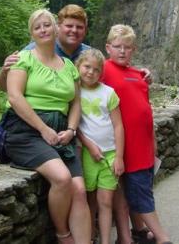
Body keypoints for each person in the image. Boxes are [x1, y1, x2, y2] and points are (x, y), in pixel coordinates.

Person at [4, 8, 91, 244]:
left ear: (56, 28)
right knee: (62, 179)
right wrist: (44, 129)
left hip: (62, 131)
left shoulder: (69, 66)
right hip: (26, 131)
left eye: (47, 25)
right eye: (37, 27)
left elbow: (75, 102)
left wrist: (72, 130)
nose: (43, 29)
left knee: (80, 191)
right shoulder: (24, 58)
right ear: (32, 34)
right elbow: (14, 97)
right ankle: (63, 234)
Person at [101, 25, 173, 244]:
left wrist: (153, 140)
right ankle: (162, 238)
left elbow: (146, 109)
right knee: (138, 191)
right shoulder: (102, 70)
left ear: (134, 49)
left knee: (130, 191)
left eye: (127, 47)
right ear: (107, 48)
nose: (122, 51)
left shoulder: (139, 74)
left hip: (143, 143)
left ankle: (135, 233)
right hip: (122, 144)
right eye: (117, 46)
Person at [76, 49, 125, 244]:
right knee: (90, 201)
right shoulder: (73, 91)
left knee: (106, 201)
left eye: (96, 70)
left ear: (101, 72)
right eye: (87, 67)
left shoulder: (108, 92)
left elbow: (118, 125)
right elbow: (74, 125)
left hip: (110, 154)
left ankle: (105, 241)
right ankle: (90, 236)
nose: (90, 72)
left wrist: (119, 156)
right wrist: (89, 145)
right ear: (78, 66)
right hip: (87, 154)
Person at [0, 4, 90, 91]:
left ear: (85, 30)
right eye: (69, 26)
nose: (74, 30)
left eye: (79, 27)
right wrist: (4, 72)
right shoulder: (33, 51)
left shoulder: (90, 55)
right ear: (57, 27)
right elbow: (7, 89)